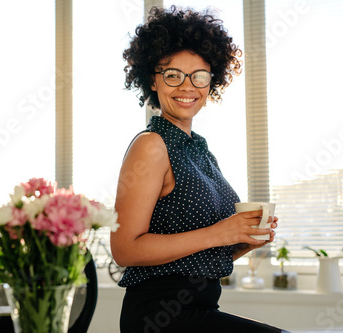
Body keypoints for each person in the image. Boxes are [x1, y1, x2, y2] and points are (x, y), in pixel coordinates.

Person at [111, 6, 284, 333]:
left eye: (199, 76)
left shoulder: (200, 150)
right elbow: (124, 249)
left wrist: (243, 240)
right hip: (158, 315)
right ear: (152, 78)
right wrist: (223, 232)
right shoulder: (151, 145)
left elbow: (196, 255)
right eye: (173, 74)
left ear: (211, 80)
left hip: (200, 308)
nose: (187, 86)